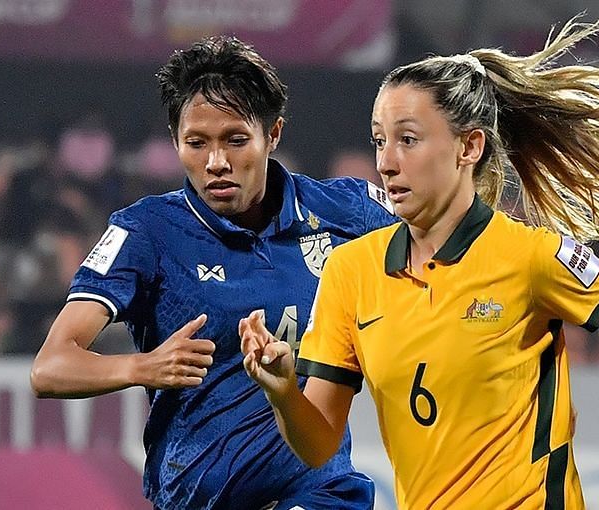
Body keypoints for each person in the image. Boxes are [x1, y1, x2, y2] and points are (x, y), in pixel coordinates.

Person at [240, 16, 599, 509]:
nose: (387, 161)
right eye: (379, 140)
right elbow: (319, 444)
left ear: (468, 147)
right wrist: (282, 391)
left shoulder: (530, 256)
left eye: (408, 139)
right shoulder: (350, 271)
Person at [30, 35, 397, 510]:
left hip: (317, 491)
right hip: (198, 494)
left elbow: (448, 234)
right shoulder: (147, 232)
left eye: (236, 140)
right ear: (174, 142)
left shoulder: (343, 210)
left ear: (274, 134)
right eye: (196, 143)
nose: (216, 162)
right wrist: (143, 366)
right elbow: (50, 366)